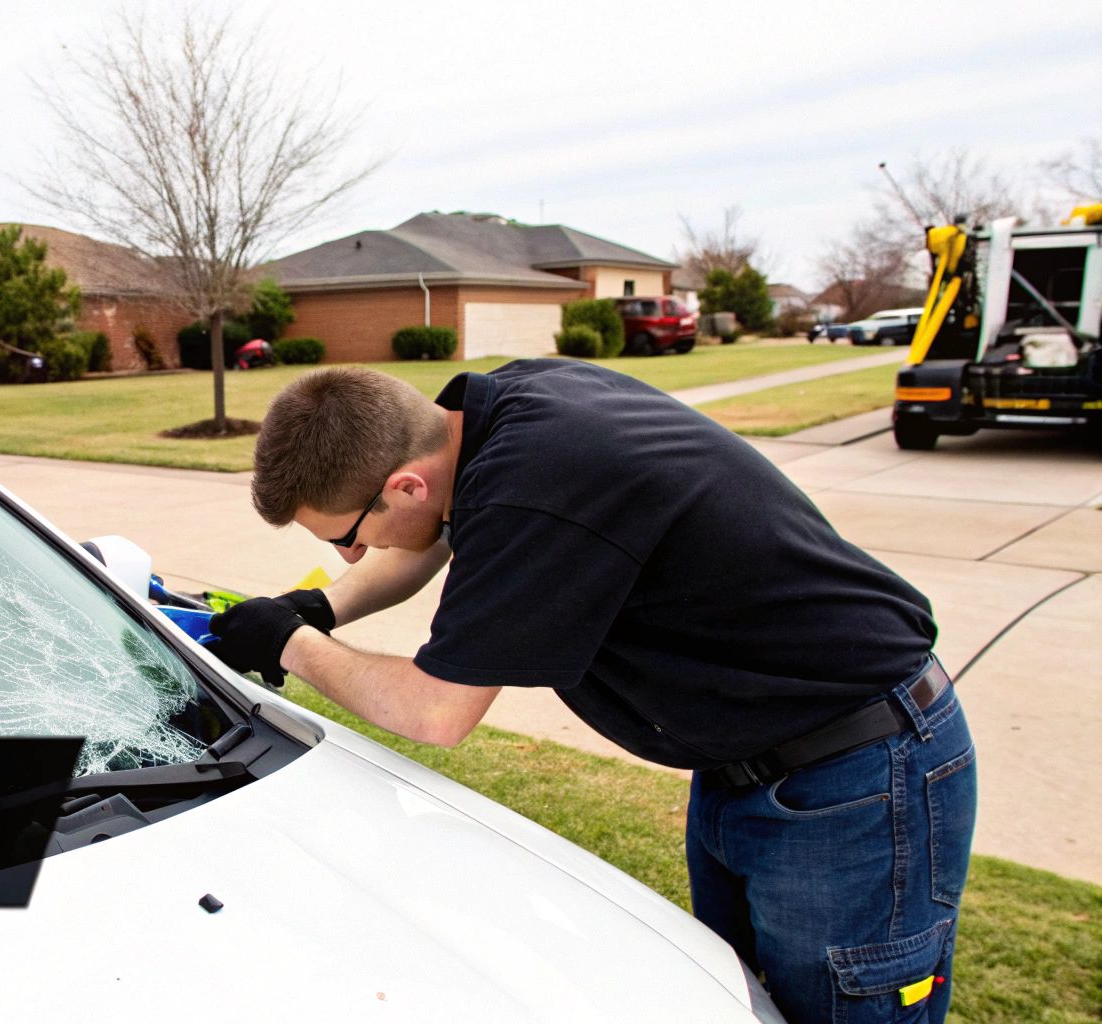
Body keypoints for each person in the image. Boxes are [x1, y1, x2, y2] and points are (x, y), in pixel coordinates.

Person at [206, 362, 976, 1024]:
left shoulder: (535, 488)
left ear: (404, 482)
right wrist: (325, 608)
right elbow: (433, 533)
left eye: (346, 535)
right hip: (760, 765)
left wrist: (291, 645)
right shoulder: (488, 417)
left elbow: (435, 710)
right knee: (744, 1003)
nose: (352, 552)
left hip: (860, 778)